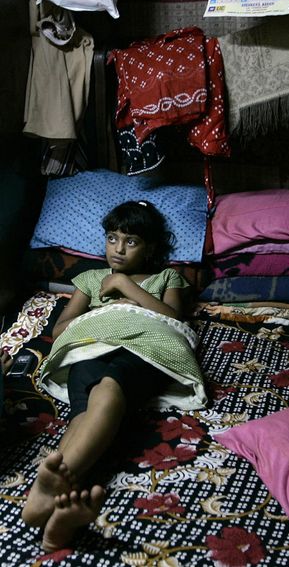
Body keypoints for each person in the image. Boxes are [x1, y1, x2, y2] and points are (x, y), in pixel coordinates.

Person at [21, 200, 207, 552]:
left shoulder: (167, 277)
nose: (118, 249)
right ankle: (56, 521)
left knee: (107, 393)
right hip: (91, 345)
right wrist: (104, 307)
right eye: (112, 238)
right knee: (83, 416)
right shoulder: (90, 279)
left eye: (131, 241)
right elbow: (60, 329)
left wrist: (123, 284)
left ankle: (49, 493)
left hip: (143, 347)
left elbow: (173, 319)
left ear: (150, 247)